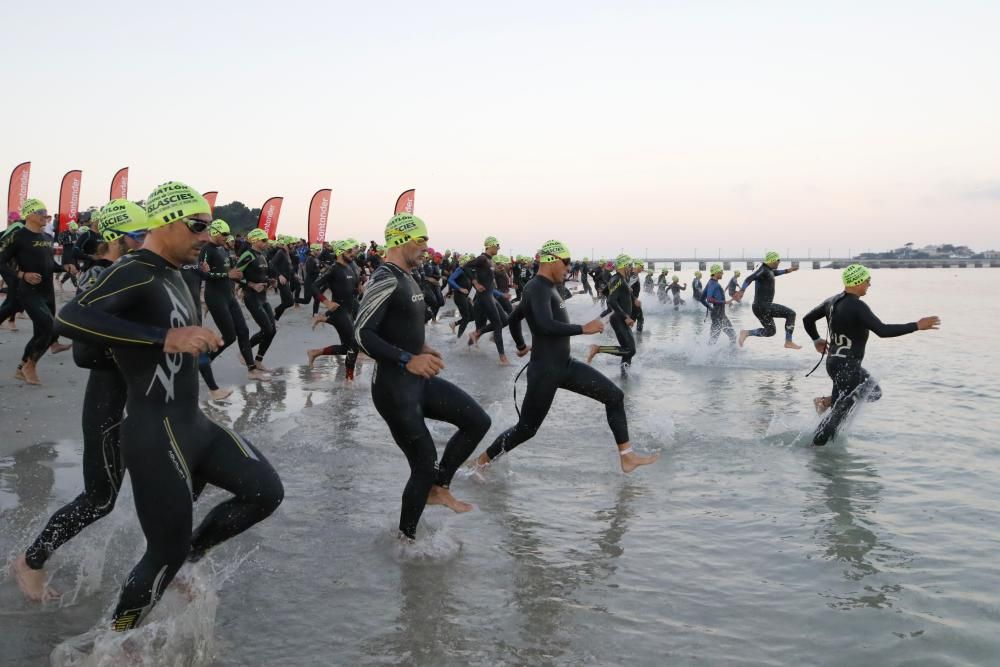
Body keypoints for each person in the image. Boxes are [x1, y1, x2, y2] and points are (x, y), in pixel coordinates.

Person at [51, 181, 283, 631]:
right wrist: (162, 339)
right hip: (153, 430)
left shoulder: (176, 272)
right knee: (164, 551)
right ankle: (115, 640)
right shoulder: (134, 269)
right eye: (197, 226)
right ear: (165, 222)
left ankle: (188, 561)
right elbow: (71, 317)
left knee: (264, 491)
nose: (207, 235)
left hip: (192, 422)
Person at [11, 200, 148, 601]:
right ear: (118, 238)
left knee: (177, 477)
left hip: (141, 402)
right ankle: (31, 561)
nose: (146, 245)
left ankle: (174, 566)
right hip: (109, 402)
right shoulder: (103, 276)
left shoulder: (132, 274)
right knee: (100, 499)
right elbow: (85, 353)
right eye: (140, 237)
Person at [355, 213, 490, 541]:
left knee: (477, 421)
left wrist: (421, 346)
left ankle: (439, 488)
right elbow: (361, 333)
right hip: (393, 389)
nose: (427, 247)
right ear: (400, 240)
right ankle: (406, 541)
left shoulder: (407, 276)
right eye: (422, 240)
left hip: (414, 379)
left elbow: (399, 324)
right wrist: (406, 358)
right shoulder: (385, 278)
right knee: (423, 462)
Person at [474, 241, 659, 473]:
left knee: (614, 396)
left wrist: (521, 345)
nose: (568, 268)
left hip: (565, 365)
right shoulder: (537, 287)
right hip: (545, 371)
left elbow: (514, 318)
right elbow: (543, 324)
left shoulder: (548, 287)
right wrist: (583, 328)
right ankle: (482, 462)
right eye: (566, 262)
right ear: (551, 260)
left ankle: (627, 456)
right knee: (526, 429)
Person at [803, 264, 939, 446]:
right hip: (847, 367)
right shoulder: (857, 306)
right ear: (858, 281)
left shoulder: (832, 301)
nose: (869, 285)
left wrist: (816, 339)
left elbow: (807, 319)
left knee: (873, 391)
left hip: (835, 363)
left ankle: (826, 402)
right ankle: (814, 449)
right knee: (838, 416)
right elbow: (882, 330)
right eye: (867, 281)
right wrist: (916, 326)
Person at [0, 198, 70, 385]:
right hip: (28, 291)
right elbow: (1, 262)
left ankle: (22, 367)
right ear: (29, 214)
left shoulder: (46, 238)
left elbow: (49, 265)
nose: (45, 217)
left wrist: (65, 268)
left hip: (48, 291)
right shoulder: (19, 236)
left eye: (47, 213)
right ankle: (30, 366)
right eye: (41, 213)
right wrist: (22, 274)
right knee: (49, 326)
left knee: (44, 332)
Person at [202, 219, 267, 381]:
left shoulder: (223, 250)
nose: (227, 237)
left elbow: (231, 272)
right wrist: (227, 275)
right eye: (224, 234)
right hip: (215, 297)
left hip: (228, 296)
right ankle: (204, 361)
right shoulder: (206, 250)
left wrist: (238, 284)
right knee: (229, 336)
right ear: (215, 232)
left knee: (243, 331)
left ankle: (252, 370)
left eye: (228, 234)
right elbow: (202, 274)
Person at [307, 239, 361, 380]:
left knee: (347, 347)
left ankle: (315, 352)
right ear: (339, 252)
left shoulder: (351, 267)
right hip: (340, 312)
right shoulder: (334, 269)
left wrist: (359, 288)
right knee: (353, 346)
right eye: (348, 251)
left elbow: (354, 288)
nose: (352, 254)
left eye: (352, 251)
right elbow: (313, 286)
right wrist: (326, 302)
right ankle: (349, 380)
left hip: (350, 310)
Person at [734, 251, 801, 349]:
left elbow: (774, 273)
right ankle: (788, 341)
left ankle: (746, 333)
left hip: (760, 307)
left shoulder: (768, 270)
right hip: (762, 306)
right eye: (778, 261)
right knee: (791, 314)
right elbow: (750, 278)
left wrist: (788, 270)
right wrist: (742, 290)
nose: (779, 263)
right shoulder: (762, 269)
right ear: (773, 260)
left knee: (770, 331)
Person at [587, 254, 637, 375]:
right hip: (620, 318)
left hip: (620, 318)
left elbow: (605, 291)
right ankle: (597, 349)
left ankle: (625, 377)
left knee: (628, 352)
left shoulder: (617, 279)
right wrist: (626, 317)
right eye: (629, 266)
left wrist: (627, 292)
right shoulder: (618, 279)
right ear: (624, 266)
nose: (631, 269)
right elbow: (611, 300)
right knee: (630, 350)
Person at [236, 229, 278, 370]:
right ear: (254, 240)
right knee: (266, 329)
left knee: (272, 330)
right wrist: (252, 285)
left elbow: (261, 275)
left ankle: (258, 360)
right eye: (263, 240)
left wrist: (270, 281)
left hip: (263, 297)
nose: (266, 243)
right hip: (251, 297)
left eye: (267, 240)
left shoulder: (262, 255)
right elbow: (235, 274)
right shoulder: (248, 255)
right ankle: (244, 353)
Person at [467, 236, 510, 365]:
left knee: (505, 321)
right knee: (497, 324)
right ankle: (502, 357)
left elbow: (486, 276)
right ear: (490, 246)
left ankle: (468, 345)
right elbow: (465, 267)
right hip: (484, 297)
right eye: (497, 246)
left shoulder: (489, 261)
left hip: (490, 296)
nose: (498, 248)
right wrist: (475, 283)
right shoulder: (482, 258)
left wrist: (497, 270)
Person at [702, 264, 736, 344]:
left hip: (718, 314)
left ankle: (707, 354)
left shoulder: (710, 283)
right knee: (732, 336)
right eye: (721, 272)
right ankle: (732, 355)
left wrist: (710, 309)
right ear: (716, 272)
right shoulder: (713, 284)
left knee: (713, 339)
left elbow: (701, 299)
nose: (722, 273)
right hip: (719, 315)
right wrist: (725, 302)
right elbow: (709, 299)